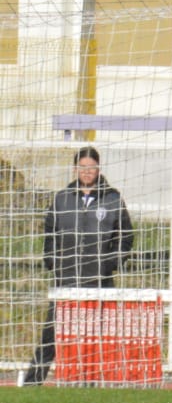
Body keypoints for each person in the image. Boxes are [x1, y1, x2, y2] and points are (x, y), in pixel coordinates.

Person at [22, 146, 133, 386]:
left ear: (98, 169)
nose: (87, 171)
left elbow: (125, 237)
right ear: (75, 169)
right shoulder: (62, 198)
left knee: (101, 334)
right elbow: (50, 234)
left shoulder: (113, 199)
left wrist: (111, 263)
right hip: (67, 277)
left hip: (99, 279)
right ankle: (32, 383)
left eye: (91, 167)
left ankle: (101, 382)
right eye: (82, 167)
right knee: (52, 333)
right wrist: (53, 262)